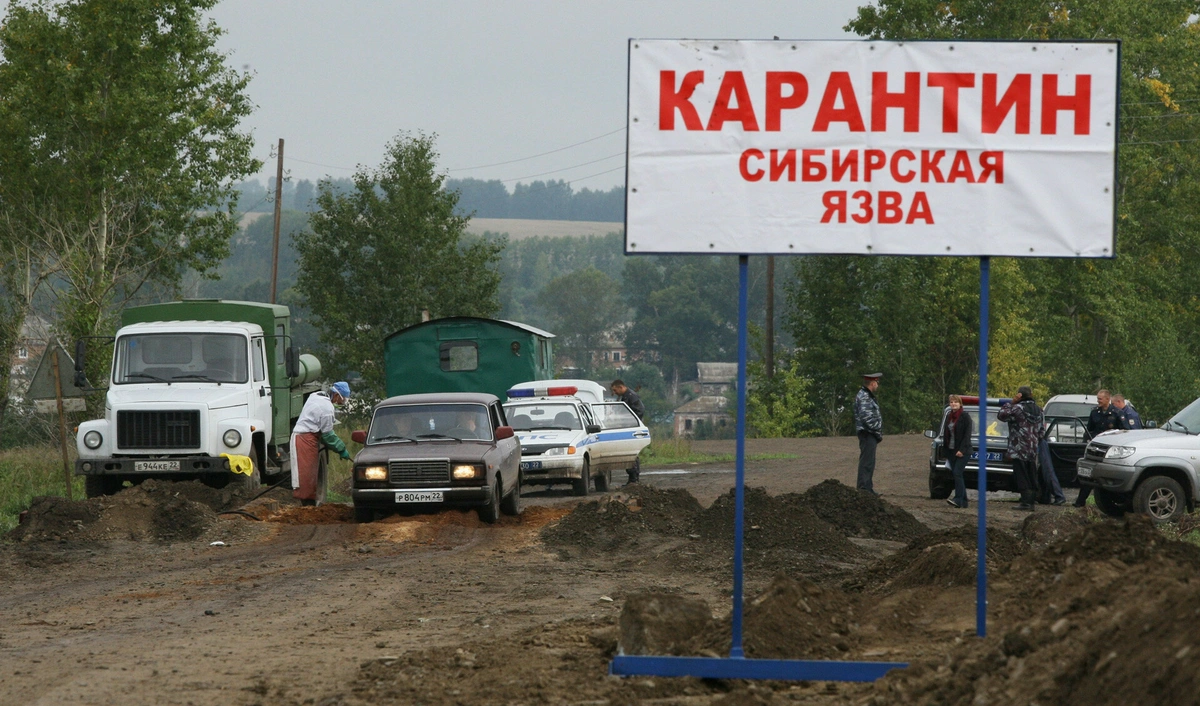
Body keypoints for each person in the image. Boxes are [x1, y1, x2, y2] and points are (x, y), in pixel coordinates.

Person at [290, 381, 352, 505]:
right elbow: (328, 435)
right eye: (343, 399)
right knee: (306, 477)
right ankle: (307, 507)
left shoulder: (317, 396)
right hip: (304, 439)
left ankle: (309, 505)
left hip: (307, 437)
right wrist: (341, 449)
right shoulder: (327, 408)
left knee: (311, 475)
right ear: (336, 395)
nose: (342, 402)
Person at [997, 386, 1043, 511]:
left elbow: (1001, 415)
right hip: (1033, 448)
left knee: (1021, 475)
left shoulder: (1017, 408)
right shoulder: (1039, 410)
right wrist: (1035, 440)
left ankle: (1025, 502)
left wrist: (1011, 403)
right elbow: (1041, 430)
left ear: (1019, 396)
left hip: (1019, 447)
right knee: (1031, 473)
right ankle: (1031, 502)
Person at [1075, 389, 1122, 507]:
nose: (1098, 401)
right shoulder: (1094, 412)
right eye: (1098, 399)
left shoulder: (1116, 413)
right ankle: (1080, 502)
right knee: (1089, 474)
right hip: (1096, 448)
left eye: (1100, 399)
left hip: (1111, 450)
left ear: (1107, 399)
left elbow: (1124, 432)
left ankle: (1111, 504)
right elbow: (1089, 429)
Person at [853, 373, 883, 494]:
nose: (877, 385)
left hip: (869, 433)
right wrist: (877, 428)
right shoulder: (865, 396)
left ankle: (867, 487)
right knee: (867, 462)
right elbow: (866, 417)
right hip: (868, 433)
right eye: (877, 382)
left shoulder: (866, 395)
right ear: (872, 383)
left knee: (869, 462)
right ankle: (864, 489)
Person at [611, 380, 645, 485]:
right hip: (628, 428)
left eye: (615, 390)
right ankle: (632, 479)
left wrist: (630, 423)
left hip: (632, 429)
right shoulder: (625, 397)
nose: (614, 392)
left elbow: (640, 411)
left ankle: (634, 479)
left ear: (621, 387)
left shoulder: (631, 396)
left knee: (632, 454)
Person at [942, 394, 973, 509]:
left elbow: (967, 435)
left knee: (957, 473)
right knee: (956, 474)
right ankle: (964, 502)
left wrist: (962, 450)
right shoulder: (949, 416)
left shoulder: (965, 417)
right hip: (951, 451)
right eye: (951, 402)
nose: (953, 404)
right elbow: (946, 435)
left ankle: (958, 499)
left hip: (963, 451)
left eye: (955, 402)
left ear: (960, 404)